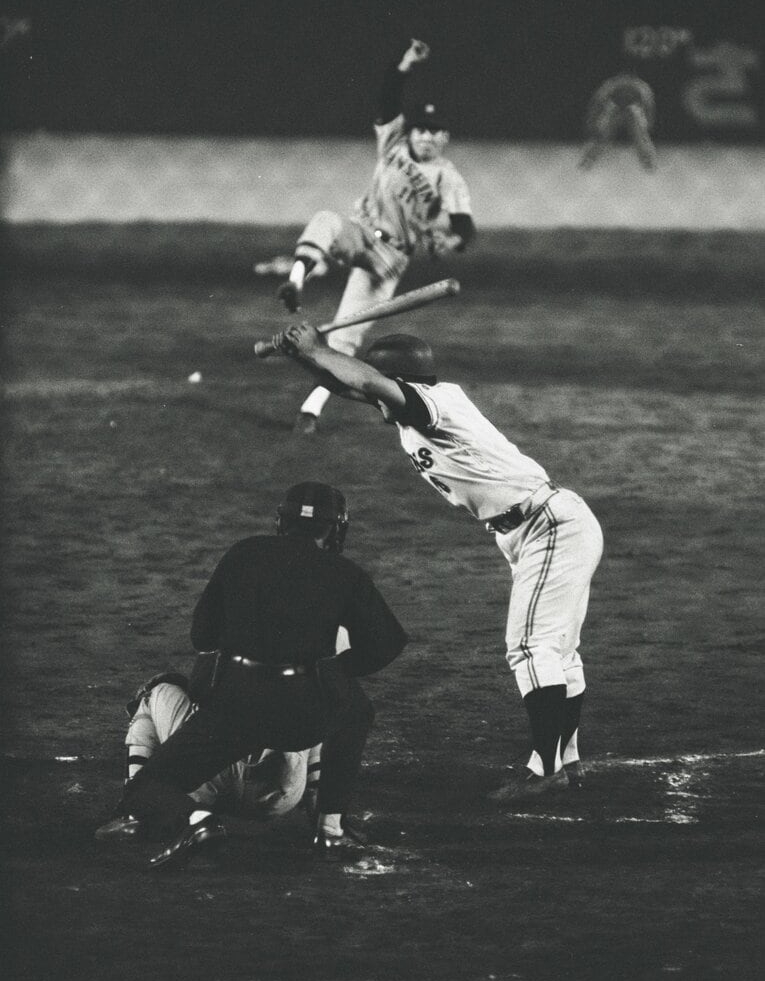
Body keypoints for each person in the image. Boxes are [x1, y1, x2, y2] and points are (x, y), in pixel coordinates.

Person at [271, 328, 604, 802]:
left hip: (548, 527)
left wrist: (318, 348)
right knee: (559, 651)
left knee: (532, 648)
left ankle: (546, 770)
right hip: (538, 528)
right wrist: (302, 356)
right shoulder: (414, 405)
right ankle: (565, 761)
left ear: (399, 380)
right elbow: (352, 386)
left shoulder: (434, 406)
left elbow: (367, 382)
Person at [115, 481, 407, 868]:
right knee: (356, 711)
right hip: (301, 716)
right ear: (336, 529)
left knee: (145, 787)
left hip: (234, 709)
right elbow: (387, 643)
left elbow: (202, 635)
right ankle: (330, 827)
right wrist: (333, 671)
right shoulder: (345, 572)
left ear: (281, 521)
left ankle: (196, 820)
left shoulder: (244, 552)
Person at [267, 37, 475, 434]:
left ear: (445, 138)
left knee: (345, 336)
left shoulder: (449, 179)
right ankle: (295, 280)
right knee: (326, 220)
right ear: (411, 132)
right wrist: (405, 63)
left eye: (435, 132)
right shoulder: (393, 143)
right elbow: (388, 99)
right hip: (360, 232)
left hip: (388, 259)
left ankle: (310, 410)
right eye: (421, 129)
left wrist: (449, 243)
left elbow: (464, 227)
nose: (426, 136)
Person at [94, 670, 322, 840]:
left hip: (207, 778)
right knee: (320, 706)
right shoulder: (317, 631)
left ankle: (134, 813)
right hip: (278, 791)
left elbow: (202, 683)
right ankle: (325, 824)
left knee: (154, 691)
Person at [578, 73, 657, 171]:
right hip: (615, 110)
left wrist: (647, 122)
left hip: (631, 112)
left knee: (640, 137)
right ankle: (587, 160)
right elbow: (598, 102)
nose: (625, 80)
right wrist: (595, 120)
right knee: (601, 137)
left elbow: (648, 105)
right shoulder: (611, 85)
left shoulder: (641, 87)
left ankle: (649, 163)